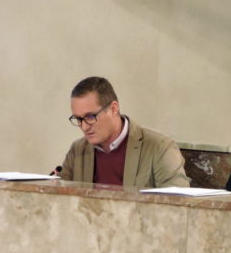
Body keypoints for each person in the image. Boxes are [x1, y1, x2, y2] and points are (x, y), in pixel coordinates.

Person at [59, 76, 190, 188]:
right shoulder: (77, 150)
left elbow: (179, 206)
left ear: (113, 109)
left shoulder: (159, 147)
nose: (84, 127)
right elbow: (56, 197)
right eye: (78, 119)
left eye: (90, 117)